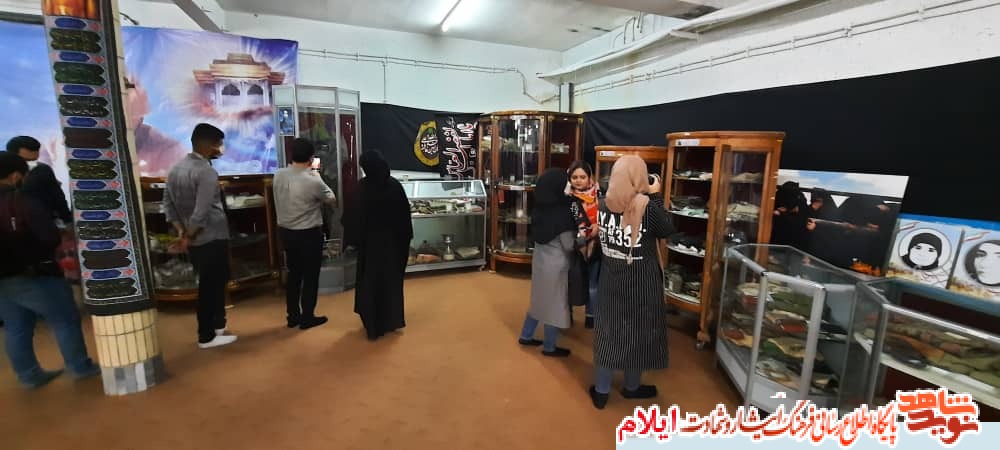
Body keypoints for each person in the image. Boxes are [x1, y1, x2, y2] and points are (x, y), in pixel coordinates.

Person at [0, 152, 100, 388]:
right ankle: (80, 367)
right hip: (35, 274)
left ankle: (29, 375)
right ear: (15, 176)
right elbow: (48, 236)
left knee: (16, 327)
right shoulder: (21, 201)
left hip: (3, 278)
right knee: (65, 319)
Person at [590, 155, 674, 409]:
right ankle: (631, 386)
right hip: (641, 281)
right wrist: (655, 196)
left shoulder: (603, 204)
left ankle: (601, 391)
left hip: (610, 278)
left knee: (608, 332)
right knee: (639, 332)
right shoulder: (647, 207)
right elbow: (667, 229)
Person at [163, 123, 237, 349]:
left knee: (211, 282)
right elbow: (202, 210)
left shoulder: (175, 169)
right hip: (211, 236)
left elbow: (168, 205)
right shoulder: (205, 171)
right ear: (206, 144)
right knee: (210, 286)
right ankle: (206, 335)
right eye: (218, 144)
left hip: (195, 237)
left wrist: (181, 230)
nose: (220, 149)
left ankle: (217, 326)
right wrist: (188, 235)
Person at [342, 150, 412, 341]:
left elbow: (351, 218)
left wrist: (353, 242)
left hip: (369, 247)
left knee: (369, 283)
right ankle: (390, 320)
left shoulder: (361, 188)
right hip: (393, 246)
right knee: (391, 283)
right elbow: (405, 219)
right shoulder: (394, 186)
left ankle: (372, 325)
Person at [273, 138, 336, 330]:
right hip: (308, 234)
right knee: (310, 276)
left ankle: (292, 316)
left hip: (286, 233)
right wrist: (317, 175)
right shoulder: (313, 180)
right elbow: (331, 199)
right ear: (311, 158)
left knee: (294, 275)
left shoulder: (278, 175)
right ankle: (307, 316)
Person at [517, 168, 577, 357]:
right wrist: (584, 238)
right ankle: (550, 346)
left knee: (538, 300)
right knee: (555, 304)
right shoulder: (563, 212)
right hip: (557, 265)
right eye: (566, 183)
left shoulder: (539, 208)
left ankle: (526, 335)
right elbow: (569, 245)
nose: (569, 186)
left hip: (540, 261)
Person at [6, 136, 72, 224]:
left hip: (42, 222)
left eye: (34, 160)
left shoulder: (43, 170)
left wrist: (67, 221)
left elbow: (58, 198)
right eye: (26, 160)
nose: (30, 165)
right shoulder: (3, 174)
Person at [567, 161, 600, 329]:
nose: (578, 181)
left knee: (593, 283)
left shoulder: (599, 194)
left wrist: (598, 227)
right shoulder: (568, 198)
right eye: (574, 177)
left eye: (582, 177)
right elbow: (569, 222)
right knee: (571, 281)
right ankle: (567, 314)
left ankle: (591, 316)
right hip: (576, 246)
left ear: (590, 177)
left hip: (596, 245)